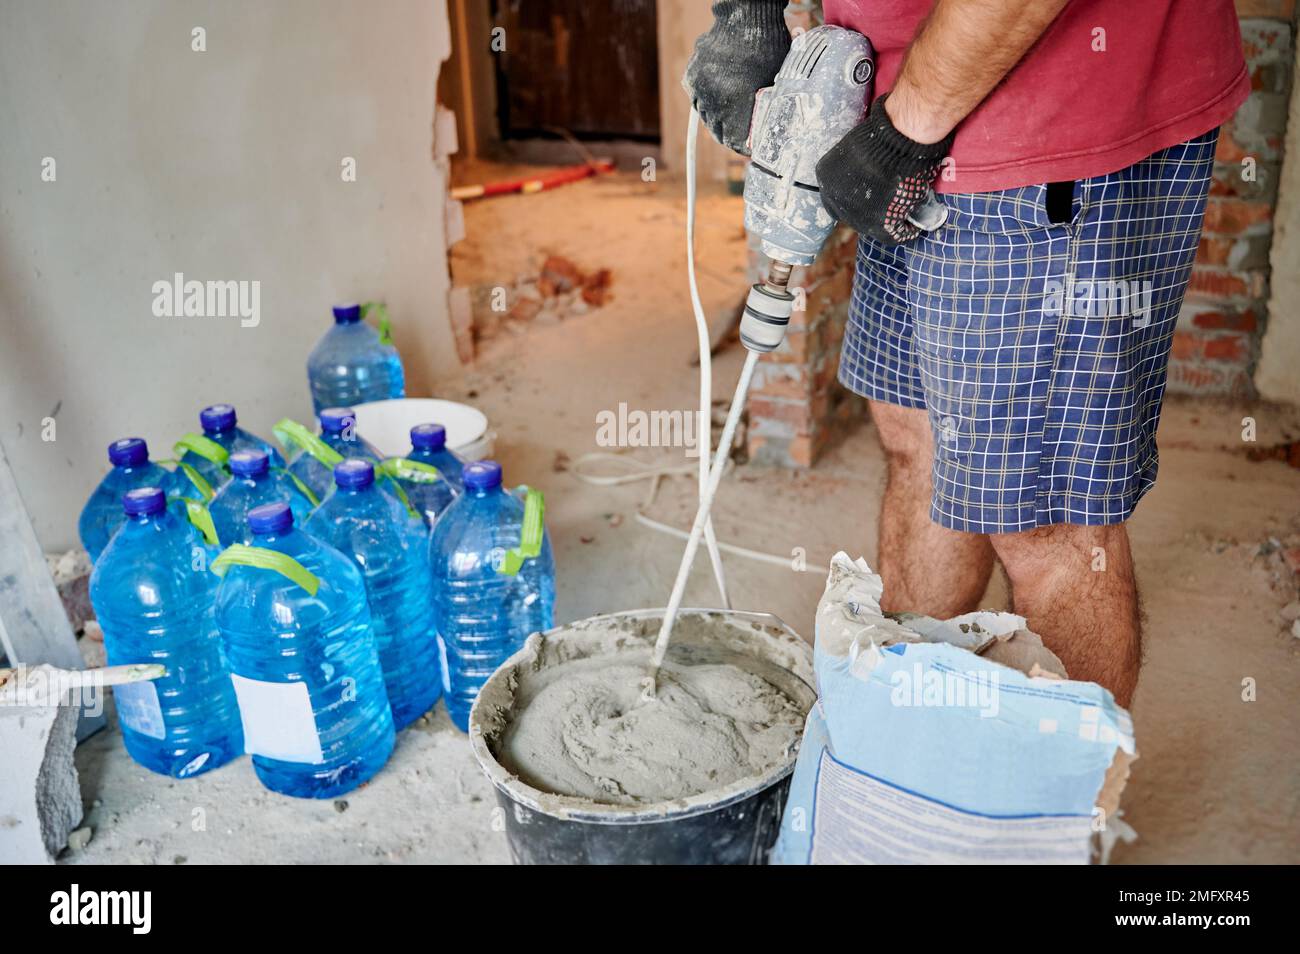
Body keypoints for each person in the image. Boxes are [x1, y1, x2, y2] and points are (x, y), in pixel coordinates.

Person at [684, 0, 1249, 707]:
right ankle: (911, 724)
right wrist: (752, 13)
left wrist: (902, 134)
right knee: (914, 438)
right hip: (903, 89)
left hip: (1044, 102)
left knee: (1047, 519)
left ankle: (1058, 811)